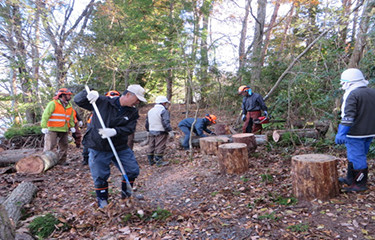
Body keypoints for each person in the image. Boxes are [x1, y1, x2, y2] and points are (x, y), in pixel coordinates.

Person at [74, 84, 146, 208]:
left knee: (132, 170)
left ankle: (126, 195)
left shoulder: (132, 111)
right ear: (128, 95)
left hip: (119, 146)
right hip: (98, 146)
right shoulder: (102, 102)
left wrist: (115, 131)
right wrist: (89, 93)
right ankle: (102, 200)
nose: (138, 102)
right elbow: (78, 100)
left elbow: (130, 128)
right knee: (100, 175)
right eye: (137, 99)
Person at [335, 68, 375, 192]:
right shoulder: (372, 92)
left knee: (357, 157)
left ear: (349, 82)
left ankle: (359, 183)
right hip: (370, 131)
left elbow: (348, 116)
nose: (342, 85)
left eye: (343, 82)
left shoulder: (352, 94)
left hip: (355, 133)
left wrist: (342, 132)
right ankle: (350, 179)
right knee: (357, 156)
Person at [81, 90, 121, 165]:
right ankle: (86, 158)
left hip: (105, 126)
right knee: (91, 141)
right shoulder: (101, 103)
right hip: (93, 125)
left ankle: (109, 157)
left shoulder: (117, 106)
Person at [41, 88, 76, 165]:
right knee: (50, 146)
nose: (70, 96)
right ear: (62, 95)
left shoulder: (69, 105)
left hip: (64, 129)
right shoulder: (53, 104)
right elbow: (45, 115)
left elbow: (70, 117)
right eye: (68, 95)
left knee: (64, 146)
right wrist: (44, 126)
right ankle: (45, 163)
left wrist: (72, 126)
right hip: (52, 129)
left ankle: (61, 161)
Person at [145, 96, 172, 166]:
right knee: (160, 146)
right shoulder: (164, 111)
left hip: (151, 130)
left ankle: (150, 160)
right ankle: (159, 161)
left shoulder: (150, 111)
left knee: (151, 145)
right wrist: (169, 130)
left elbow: (147, 122)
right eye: (166, 103)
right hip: (161, 131)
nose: (166, 104)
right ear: (163, 103)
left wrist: (148, 130)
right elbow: (166, 122)